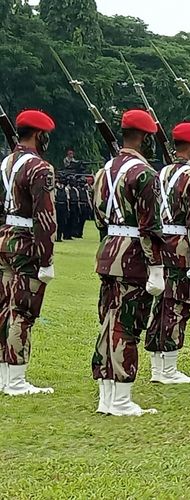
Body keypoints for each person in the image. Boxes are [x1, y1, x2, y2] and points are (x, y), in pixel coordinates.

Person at [91, 109, 165, 417]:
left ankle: (106, 395)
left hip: (109, 250)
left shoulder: (104, 170)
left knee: (108, 323)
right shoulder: (144, 174)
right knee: (127, 325)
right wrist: (157, 267)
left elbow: (98, 216)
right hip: (133, 254)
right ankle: (121, 397)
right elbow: (150, 226)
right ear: (146, 138)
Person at [145, 123, 190, 385]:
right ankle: (168, 368)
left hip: (160, 243)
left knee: (160, 305)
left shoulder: (161, 172)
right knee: (178, 306)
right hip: (181, 246)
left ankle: (157, 367)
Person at [0, 110, 57, 396]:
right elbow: (44, 217)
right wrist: (46, 259)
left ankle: (3, 374)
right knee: (23, 309)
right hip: (26, 243)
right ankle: (17, 379)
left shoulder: (7, 162)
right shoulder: (40, 168)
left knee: (4, 308)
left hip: (5, 239)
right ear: (39, 134)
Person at [54, 176, 69, 243]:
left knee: (62, 223)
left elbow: (67, 199)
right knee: (55, 222)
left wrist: (68, 209)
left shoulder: (65, 189)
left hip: (63, 207)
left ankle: (59, 237)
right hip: (57, 207)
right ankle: (54, 237)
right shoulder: (54, 189)